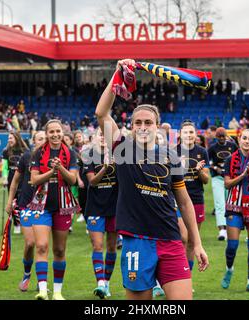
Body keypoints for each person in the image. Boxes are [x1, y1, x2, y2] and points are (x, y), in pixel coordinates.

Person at [95, 59, 208, 300]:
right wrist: (117, 74)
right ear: (132, 126)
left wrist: (196, 244)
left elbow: (185, 203)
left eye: (149, 122)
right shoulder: (122, 150)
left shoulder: (171, 157)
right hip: (137, 243)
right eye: (138, 123)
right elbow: (101, 113)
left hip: (170, 241)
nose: (143, 126)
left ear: (157, 126)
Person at [29, 119, 81, 300]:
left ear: (63, 131)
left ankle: (57, 292)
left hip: (62, 205)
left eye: (58, 131)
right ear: (47, 134)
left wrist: (60, 168)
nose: (55, 134)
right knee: (42, 245)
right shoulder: (38, 153)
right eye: (51, 132)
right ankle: (43, 290)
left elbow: (73, 180)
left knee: (59, 250)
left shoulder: (71, 153)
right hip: (41, 204)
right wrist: (52, 172)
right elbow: (34, 180)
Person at [220, 129, 249, 293]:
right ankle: (229, 268)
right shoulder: (229, 159)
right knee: (232, 245)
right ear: (239, 139)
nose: (247, 141)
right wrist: (242, 175)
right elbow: (227, 184)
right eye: (245, 138)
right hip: (234, 204)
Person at [5, 131, 46, 292]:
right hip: (26, 205)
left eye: (45, 139)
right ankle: (27, 274)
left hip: (44, 207)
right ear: (34, 141)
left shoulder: (52, 158)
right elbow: (15, 181)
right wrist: (10, 201)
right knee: (30, 243)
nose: (43, 141)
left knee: (42, 245)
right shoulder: (26, 156)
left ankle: (41, 281)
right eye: (40, 139)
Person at [82, 128, 118, 299]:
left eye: (106, 135)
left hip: (115, 207)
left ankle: (107, 283)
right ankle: (100, 283)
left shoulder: (119, 154)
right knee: (97, 246)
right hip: (95, 207)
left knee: (111, 247)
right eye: (100, 134)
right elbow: (92, 182)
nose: (103, 137)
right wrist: (105, 168)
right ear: (95, 138)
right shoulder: (89, 155)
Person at [175, 120, 210, 275]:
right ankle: (172, 274)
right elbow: (168, 178)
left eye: (191, 132)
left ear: (195, 135)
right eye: (186, 132)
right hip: (177, 200)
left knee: (192, 241)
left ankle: (186, 277)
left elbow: (206, 179)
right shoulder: (172, 152)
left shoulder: (202, 152)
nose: (189, 135)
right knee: (183, 237)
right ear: (180, 135)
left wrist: (199, 171)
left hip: (196, 199)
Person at [207, 127, 238, 241]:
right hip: (217, 178)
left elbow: (237, 159)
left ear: (226, 136)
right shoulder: (212, 148)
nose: (221, 138)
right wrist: (216, 167)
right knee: (219, 204)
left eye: (223, 136)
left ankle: (231, 228)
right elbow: (207, 162)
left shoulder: (232, 146)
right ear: (216, 137)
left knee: (230, 204)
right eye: (219, 136)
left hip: (230, 178)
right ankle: (222, 230)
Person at [2, 131, 29, 234]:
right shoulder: (6, 151)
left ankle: (25, 222)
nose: (9, 140)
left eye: (11, 138)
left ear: (17, 139)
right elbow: (5, 167)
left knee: (23, 200)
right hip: (11, 178)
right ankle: (16, 224)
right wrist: (4, 178)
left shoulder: (25, 151)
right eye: (8, 138)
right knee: (13, 201)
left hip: (23, 179)